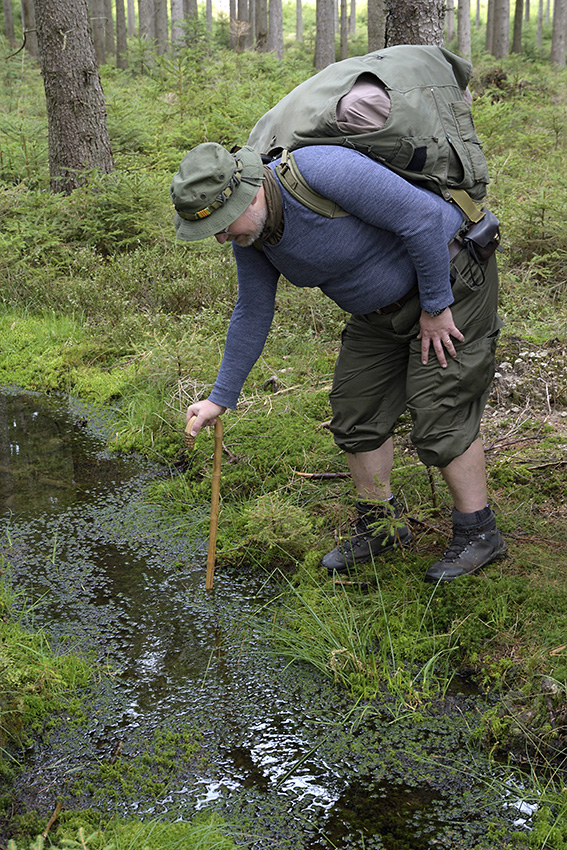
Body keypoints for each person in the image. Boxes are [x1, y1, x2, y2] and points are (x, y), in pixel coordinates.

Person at [170, 141, 507, 582]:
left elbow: (422, 219)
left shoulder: (324, 171)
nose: (220, 237)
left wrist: (436, 306)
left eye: (221, 223)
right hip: (377, 313)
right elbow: (252, 308)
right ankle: (382, 526)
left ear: (249, 194)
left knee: (440, 412)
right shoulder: (252, 237)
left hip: (449, 284)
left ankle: (479, 531)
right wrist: (220, 398)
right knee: (354, 411)